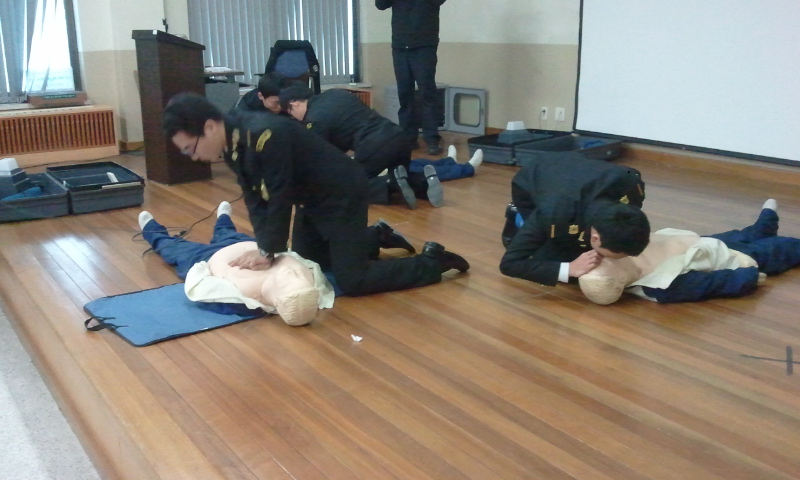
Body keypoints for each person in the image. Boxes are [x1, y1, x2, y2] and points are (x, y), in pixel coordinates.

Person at [161, 92, 469, 299]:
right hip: (311, 199)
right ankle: (374, 237)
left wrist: (267, 251)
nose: (193, 157)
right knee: (310, 266)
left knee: (352, 281)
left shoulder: (264, 134)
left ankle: (433, 262)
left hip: (341, 192)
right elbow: (255, 198)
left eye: (190, 148)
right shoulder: (232, 143)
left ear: (209, 127)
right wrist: (265, 245)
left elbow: (278, 196)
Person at [279, 85, 483, 208]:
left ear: (295, 104)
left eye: (291, 114)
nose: (295, 118)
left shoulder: (314, 120)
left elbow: (321, 157)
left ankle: (390, 185)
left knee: (349, 185)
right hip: (399, 137)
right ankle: (423, 183)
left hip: (374, 146)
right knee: (401, 172)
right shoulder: (336, 94)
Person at [137, 201, 335, 326]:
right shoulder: (310, 280)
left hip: (205, 257)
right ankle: (223, 217)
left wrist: (202, 271)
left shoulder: (249, 299)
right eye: (299, 277)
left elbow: (205, 293)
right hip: (251, 246)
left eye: (290, 281)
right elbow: (315, 274)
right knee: (226, 231)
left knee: (172, 248)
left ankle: (151, 230)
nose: (294, 274)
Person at [579, 199, 800, 304]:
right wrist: (745, 278)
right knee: (776, 249)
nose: (595, 260)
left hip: (703, 242)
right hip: (726, 258)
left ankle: (764, 225)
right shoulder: (660, 286)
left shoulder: (619, 243)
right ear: (619, 281)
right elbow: (706, 284)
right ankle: (769, 233)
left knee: (742, 234)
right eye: (600, 266)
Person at [502, 152, 646, 246]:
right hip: (530, 179)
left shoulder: (632, 188)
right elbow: (513, 263)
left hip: (572, 166)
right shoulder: (557, 212)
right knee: (553, 246)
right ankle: (516, 214)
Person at [376, 0, 447, 155]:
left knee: (427, 93)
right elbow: (380, 4)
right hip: (400, 45)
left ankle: (432, 139)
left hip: (424, 45)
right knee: (405, 94)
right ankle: (408, 138)